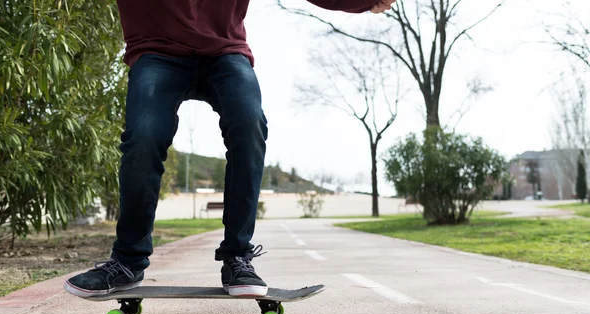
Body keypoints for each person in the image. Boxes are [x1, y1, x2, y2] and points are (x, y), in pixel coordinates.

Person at [63, 0, 396, 298]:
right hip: (157, 51)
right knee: (144, 136)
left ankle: (237, 255)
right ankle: (127, 261)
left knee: (250, 124)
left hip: (224, 53)